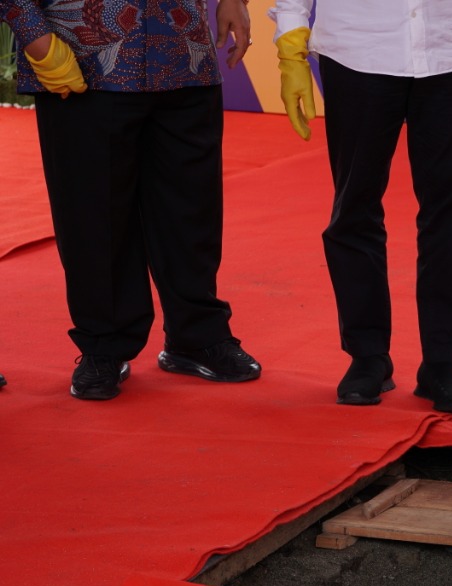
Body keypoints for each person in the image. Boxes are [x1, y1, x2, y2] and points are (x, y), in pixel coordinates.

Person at [268, 1, 452, 411]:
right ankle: (367, 355)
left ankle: (444, 363)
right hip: (358, 49)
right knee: (355, 206)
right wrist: (291, 42)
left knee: (451, 210)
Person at [3, 0, 261, 401]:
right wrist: (36, 38)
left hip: (184, 52)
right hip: (82, 57)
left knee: (192, 210)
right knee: (93, 214)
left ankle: (197, 336)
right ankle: (104, 345)